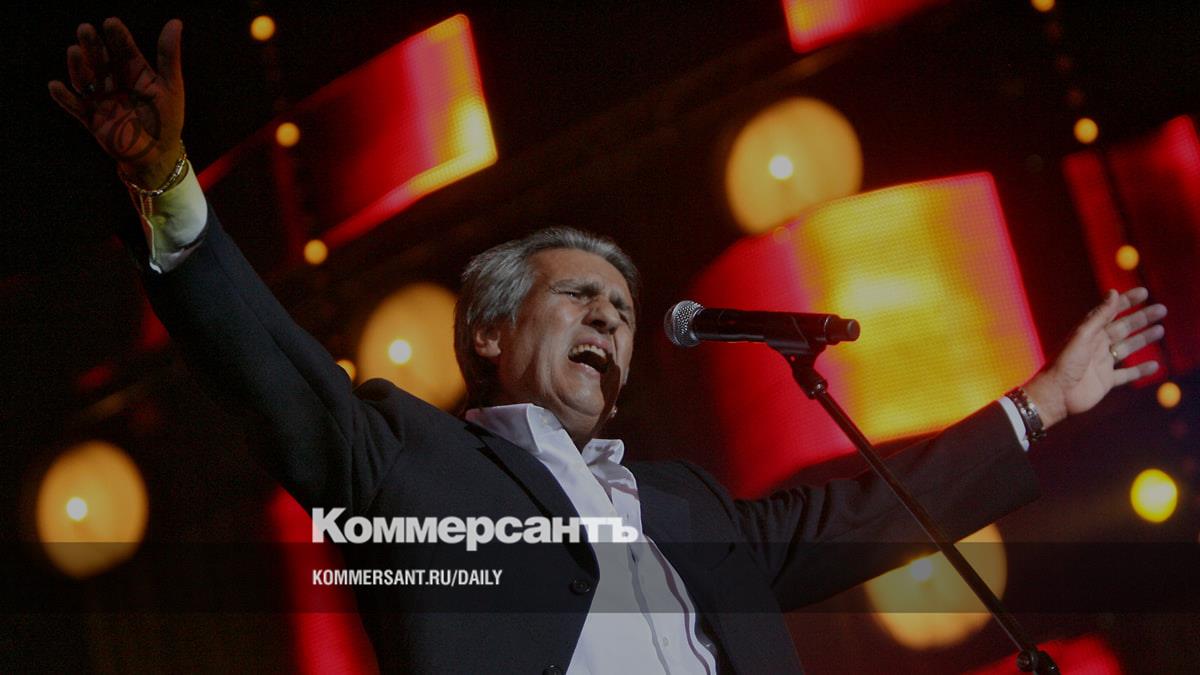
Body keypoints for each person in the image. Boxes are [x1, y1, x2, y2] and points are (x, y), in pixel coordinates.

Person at [50, 18, 1168, 674]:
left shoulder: (683, 504)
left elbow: (865, 512)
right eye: (577, 297)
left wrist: (1040, 403)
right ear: (489, 331)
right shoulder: (409, 460)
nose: (610, 321)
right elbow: (272, 373)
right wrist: (168, 187)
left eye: (624, 311)